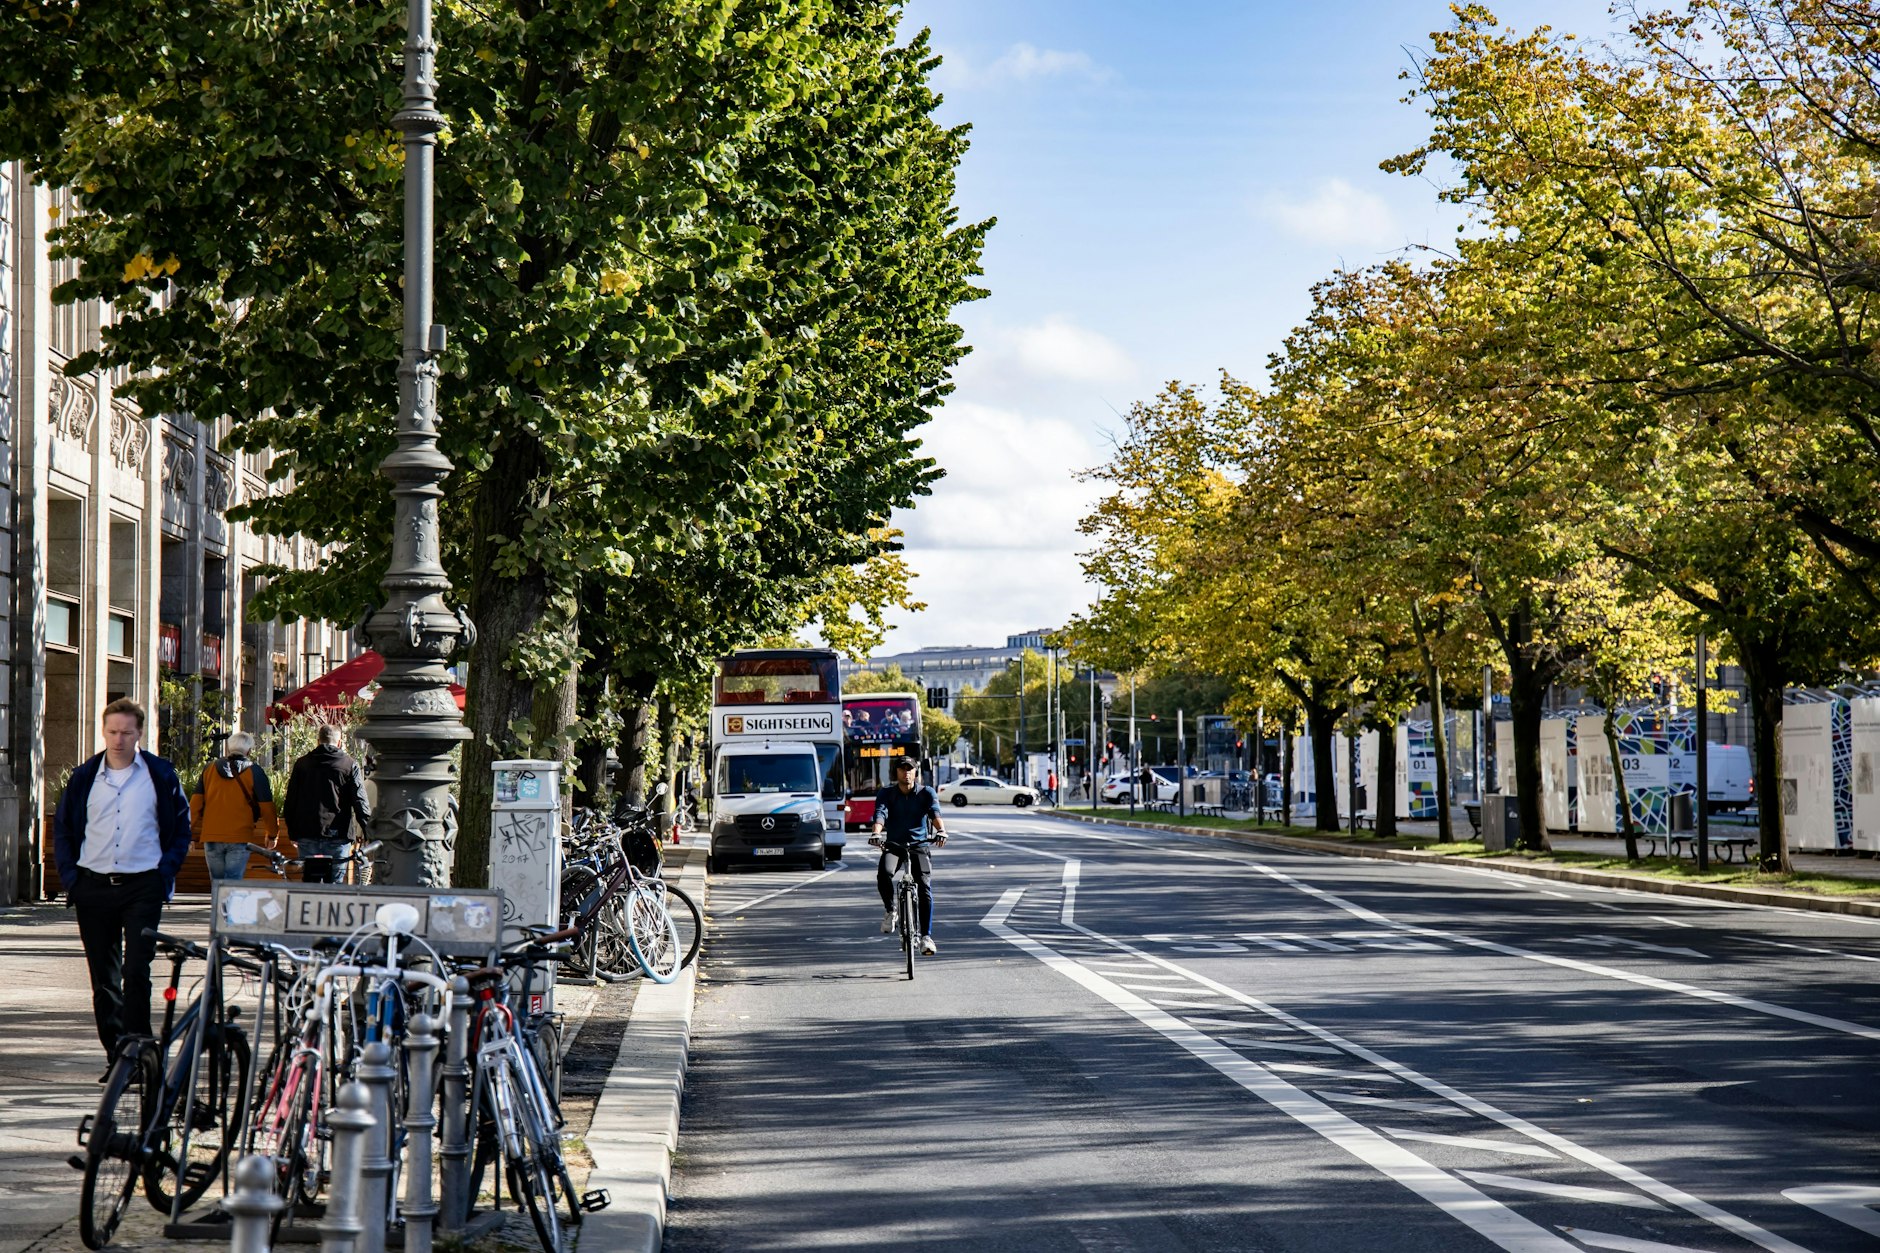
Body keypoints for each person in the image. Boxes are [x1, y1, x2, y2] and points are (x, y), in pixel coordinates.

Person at [52, 698, 192, 1060]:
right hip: (93, 886)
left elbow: (180, 829)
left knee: (137, 970)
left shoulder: (159, 775)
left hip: (143, 884)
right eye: (112, 732)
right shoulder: (85, 777)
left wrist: (165, 873)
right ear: (103, 731)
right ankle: (117, 1055)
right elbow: (64, 830)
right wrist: (72, 879)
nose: (118, 740)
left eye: (126, 732)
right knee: (104, 977)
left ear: (140, 733)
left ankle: (140, 1050)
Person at [867, 756, 946, 955]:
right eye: (902, 769)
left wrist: (941, 831)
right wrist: (876, 833)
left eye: (910, 769)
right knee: (884, 873)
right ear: (896, 773)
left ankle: (926, 936)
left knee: (924, 886)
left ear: (916, 772)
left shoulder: (926, 793)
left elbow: (934, 813)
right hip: (894, 845)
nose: (906, 772)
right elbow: (880, 814)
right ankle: (891, 910)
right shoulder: (887, 793)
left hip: (919, 846)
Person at [282, 724, 371, 883]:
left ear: (318, 741)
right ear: (339, 742)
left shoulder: (302, 764)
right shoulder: (349, 765)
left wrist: (293, 832)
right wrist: (368, 831)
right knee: (335, 884)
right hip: (339, 833)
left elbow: (290, 801)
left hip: (307, 832)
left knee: (310, 881)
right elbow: (359, 801)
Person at [190, 730, 280, 881]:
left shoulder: (209, 769)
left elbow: (195, 804)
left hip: (212, 835)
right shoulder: (255, 772)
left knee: (217, 884)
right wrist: (272, 834)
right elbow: (266, 807)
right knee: (233, 882)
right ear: (249, 750)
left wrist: (187, 833)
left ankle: (218, 906)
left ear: (228, 749)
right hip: (240, 837)